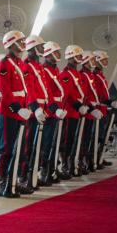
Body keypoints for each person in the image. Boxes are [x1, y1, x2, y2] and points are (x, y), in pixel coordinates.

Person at [0, 30, 32, 198]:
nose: (23, 44)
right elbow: (5, 90)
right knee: (7, 149)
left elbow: (24, 90)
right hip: (9, 112)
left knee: (20, 149)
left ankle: (14, 182)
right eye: (20, 41)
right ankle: (4, 183)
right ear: (11, 44)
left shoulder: (20, 63)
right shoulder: (4, 64)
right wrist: (17, 108)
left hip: (21, 112)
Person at [18, 35, 50, 191]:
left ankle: (33, 175)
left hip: (41, 110)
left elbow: (44, 90)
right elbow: (29, 89)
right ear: (33, 48)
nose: (43, 49)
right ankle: (23, 177)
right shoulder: (27, 66)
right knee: (28, 146)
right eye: (41, 46)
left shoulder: (38, 66)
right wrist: (36, 107)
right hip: (32, 111)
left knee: (38, 145)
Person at [40, 41, 68, 185]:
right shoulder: (44, 70)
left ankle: (52, 169)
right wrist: (54, 108)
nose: (58, 55)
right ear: (48, 54)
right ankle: (45, 172)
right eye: (56, 52)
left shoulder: (55, 70)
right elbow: (47, 92)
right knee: (46, 144)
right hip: (50, 111)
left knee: (54, 143)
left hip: (57, 110)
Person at [58, 45, 87, 179]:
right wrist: (77, 106)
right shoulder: (65, 74)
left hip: (77, 111)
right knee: (67, 140)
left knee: (75, 140)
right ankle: (65, 165)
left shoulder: (76, 73)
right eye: (78, 55)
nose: (80, 58)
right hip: (69, 112)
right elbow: (67, 95)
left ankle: (73, 163)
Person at [92, 50, 117, 167]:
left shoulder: (100, 75)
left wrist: (110, 102)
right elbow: (96, 95)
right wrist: (108, 102)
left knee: (102, 136)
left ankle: (99, 157)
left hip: (103, 109)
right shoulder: (94, 75)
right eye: (104, 59)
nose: (106, 61)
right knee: (96, 137)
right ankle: (93, 159)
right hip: (97, 109)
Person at [78, 51, 104, 172]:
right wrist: (91, 108)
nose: (94, 62)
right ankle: (80, 161)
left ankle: (88, 160)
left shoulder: (91, 75)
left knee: (90, 137)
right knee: (83, 138)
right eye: (92, 60)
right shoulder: (83, 75)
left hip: (92, 109)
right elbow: (85, 95)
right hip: (86, 110)